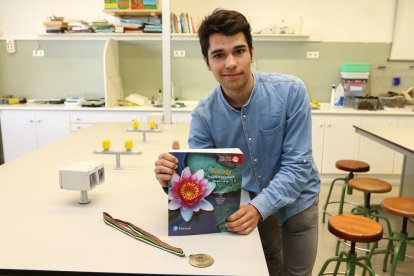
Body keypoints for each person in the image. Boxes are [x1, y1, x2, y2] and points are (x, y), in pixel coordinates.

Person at [154, 9, 320, 276]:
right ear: (207, 62)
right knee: (269, 265)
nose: (230, 63)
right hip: (249, 203)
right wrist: (173, 179)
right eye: (219, 55)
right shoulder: (204, 115)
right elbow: (204, 180)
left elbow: (297, 167)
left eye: (239, 51)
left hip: (299, 202)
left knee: (298, 273)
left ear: (252, 53)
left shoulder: (291, 92)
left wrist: (259, 207)